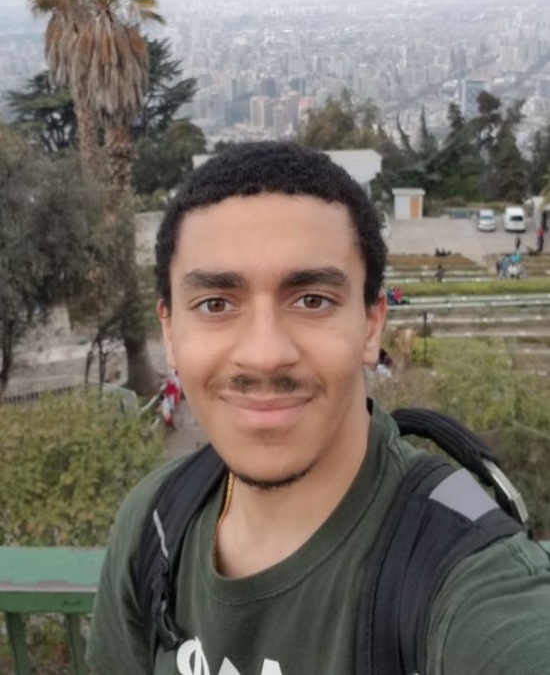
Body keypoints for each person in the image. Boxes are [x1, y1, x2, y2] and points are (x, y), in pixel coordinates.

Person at [87, 142, 550, 675]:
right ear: (169, 331)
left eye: (312, 300)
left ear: (371, 324)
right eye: (215, 304)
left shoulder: (459, 576)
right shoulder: (154, 523)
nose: (264, 355)